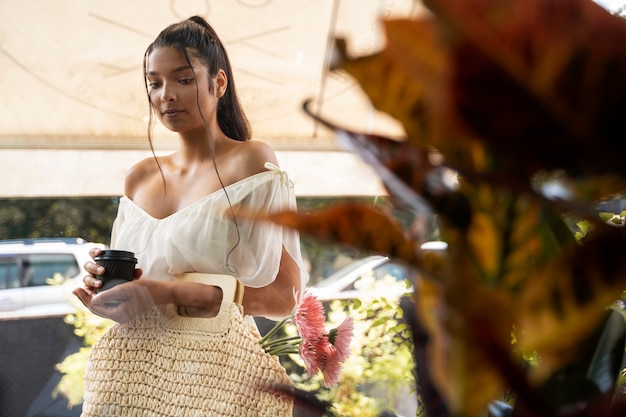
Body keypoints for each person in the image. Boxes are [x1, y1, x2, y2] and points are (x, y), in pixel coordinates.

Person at [73, 15, 309, 414]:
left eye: (183, 79)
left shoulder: (251, 161)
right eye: (154, 82)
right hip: (133, 378)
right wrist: (108, 286)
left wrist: (166, 292)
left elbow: (286, 295)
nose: (166, 95)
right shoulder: (138, 178)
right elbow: (139, 289)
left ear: (218, 83)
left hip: (215, 382)